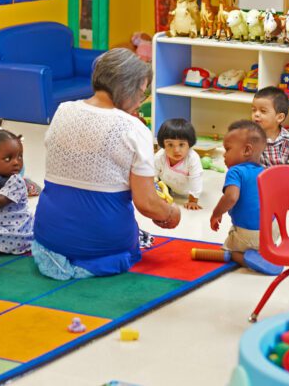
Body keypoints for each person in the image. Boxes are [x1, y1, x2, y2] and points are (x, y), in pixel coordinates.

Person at [32, 49, 181, 280]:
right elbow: (147, 203)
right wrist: (171, 213)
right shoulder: (132, 128)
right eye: (141, 93)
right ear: (127, 88)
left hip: (49, 237)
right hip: (104, 243)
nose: (140, 102)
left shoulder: (63, 110)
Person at [198, 120, 282, 275]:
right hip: (272, 232)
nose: (224, 154)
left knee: (227, 249)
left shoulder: (236, 171)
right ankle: (268, 250)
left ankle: (245, 258)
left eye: (228, 149)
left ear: (247, 150)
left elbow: (231, 197)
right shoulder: (266, 171)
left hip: (249, 235)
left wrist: (217, 213)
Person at [154, 118, 203, 210]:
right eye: (170, 145)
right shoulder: (160, 156)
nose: (176, 150)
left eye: (181, 145)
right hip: (168, 184)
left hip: (186, 191)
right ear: (163, 145)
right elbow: (151, 176)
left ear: (190, 144)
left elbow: (196, 180)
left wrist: (193, 201)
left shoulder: (192, 158)